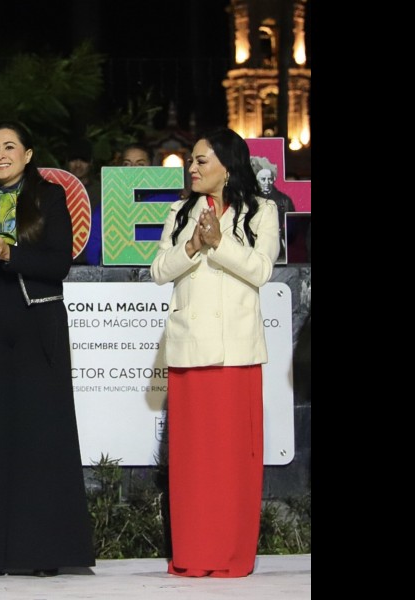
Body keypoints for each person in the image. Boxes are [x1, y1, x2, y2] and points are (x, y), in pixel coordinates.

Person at [0, 122, 96, 577]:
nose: (0, 155)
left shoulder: (50, 196)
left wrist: (10, 255)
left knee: (39, 436)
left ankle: (40, 553)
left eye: (9, 147)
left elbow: (59, 263)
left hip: (37, 323)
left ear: (28, 154)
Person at [150, 128, 279, 578]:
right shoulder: (180, 211)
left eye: (201, 160)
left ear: (227, 165)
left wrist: (221, 243)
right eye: (192, 160)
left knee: (233, 461)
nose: (192, 168)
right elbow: (158, 270)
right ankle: (194, 553)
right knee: (194, 462)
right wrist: (192, 245)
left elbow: (262, 271)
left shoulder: (261, 210)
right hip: (189, 349)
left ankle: (230, 555)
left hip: (236, 353)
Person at [65, 139, 101, 265]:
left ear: (91, 162)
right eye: (73, 160)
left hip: (94, 260)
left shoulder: (101, 191)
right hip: (64, 259)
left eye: (83, 160)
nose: (78, 165)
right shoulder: (56, 190)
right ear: (67, 162)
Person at [254, 164, 295, 258]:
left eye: (270, 179)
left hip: (279, 244)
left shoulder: (285, 200)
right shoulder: (251, 200)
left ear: (274, 180)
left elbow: (293, 226)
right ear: (257, 181)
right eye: (263, 179)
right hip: (256, 245)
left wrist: (283, 233)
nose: (267, 182)